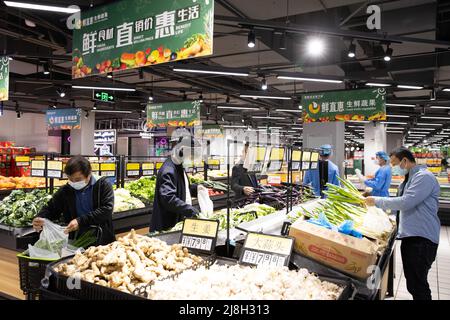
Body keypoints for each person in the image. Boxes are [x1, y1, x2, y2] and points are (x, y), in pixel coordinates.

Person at [365, 147, 441, 300]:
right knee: (413, 283)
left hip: (422, 240)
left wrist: (376, 201)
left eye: (394, 164)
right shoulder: (409, 180)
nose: (392, 168)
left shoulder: (423, 177)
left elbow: (406, 202)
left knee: (418, 285)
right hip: (412, 238)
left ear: (405, 161)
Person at [32, 155, 115, 245]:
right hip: (76, 240)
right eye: (70, 179)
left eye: (78, 179)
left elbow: (106, 210)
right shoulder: (66, 190)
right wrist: (40, 217)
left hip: (102, 238)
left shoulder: (102, 185)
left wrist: (79, 221)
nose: (74, 182)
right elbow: (51, 208)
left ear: (89, 174)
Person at [151, 131, 205, 232]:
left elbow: (182, 187)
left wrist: (195, 188)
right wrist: (190, 210)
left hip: (177, 220)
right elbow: (168, 198)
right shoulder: (169, 170)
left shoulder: (179, 167)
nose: (191, 160)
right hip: (167, 226)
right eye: (190, 157)